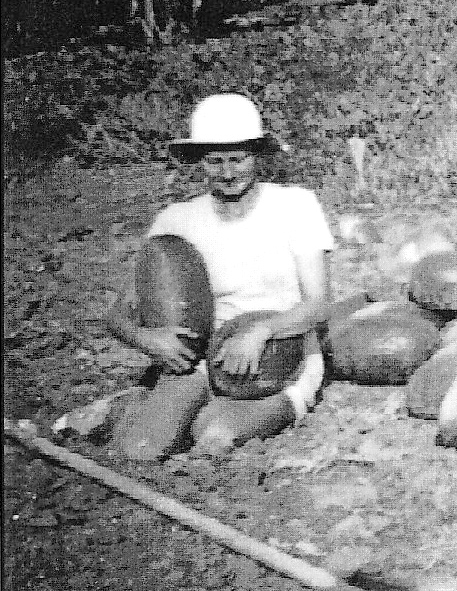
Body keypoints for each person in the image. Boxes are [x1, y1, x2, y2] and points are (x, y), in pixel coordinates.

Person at [106, 93, 336, 458]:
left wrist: (262, 332)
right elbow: (120, 311)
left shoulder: (296, 206)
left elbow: (319, 306)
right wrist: (146, 338)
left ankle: (141, 407)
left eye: (237, 159)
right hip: (202, 360)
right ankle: (125, 409)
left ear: (257, 156)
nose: (227, 173)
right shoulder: (177, 220)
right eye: (215, 161)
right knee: (140, 449)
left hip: (281, 358)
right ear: (200, 162)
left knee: (215, 434)